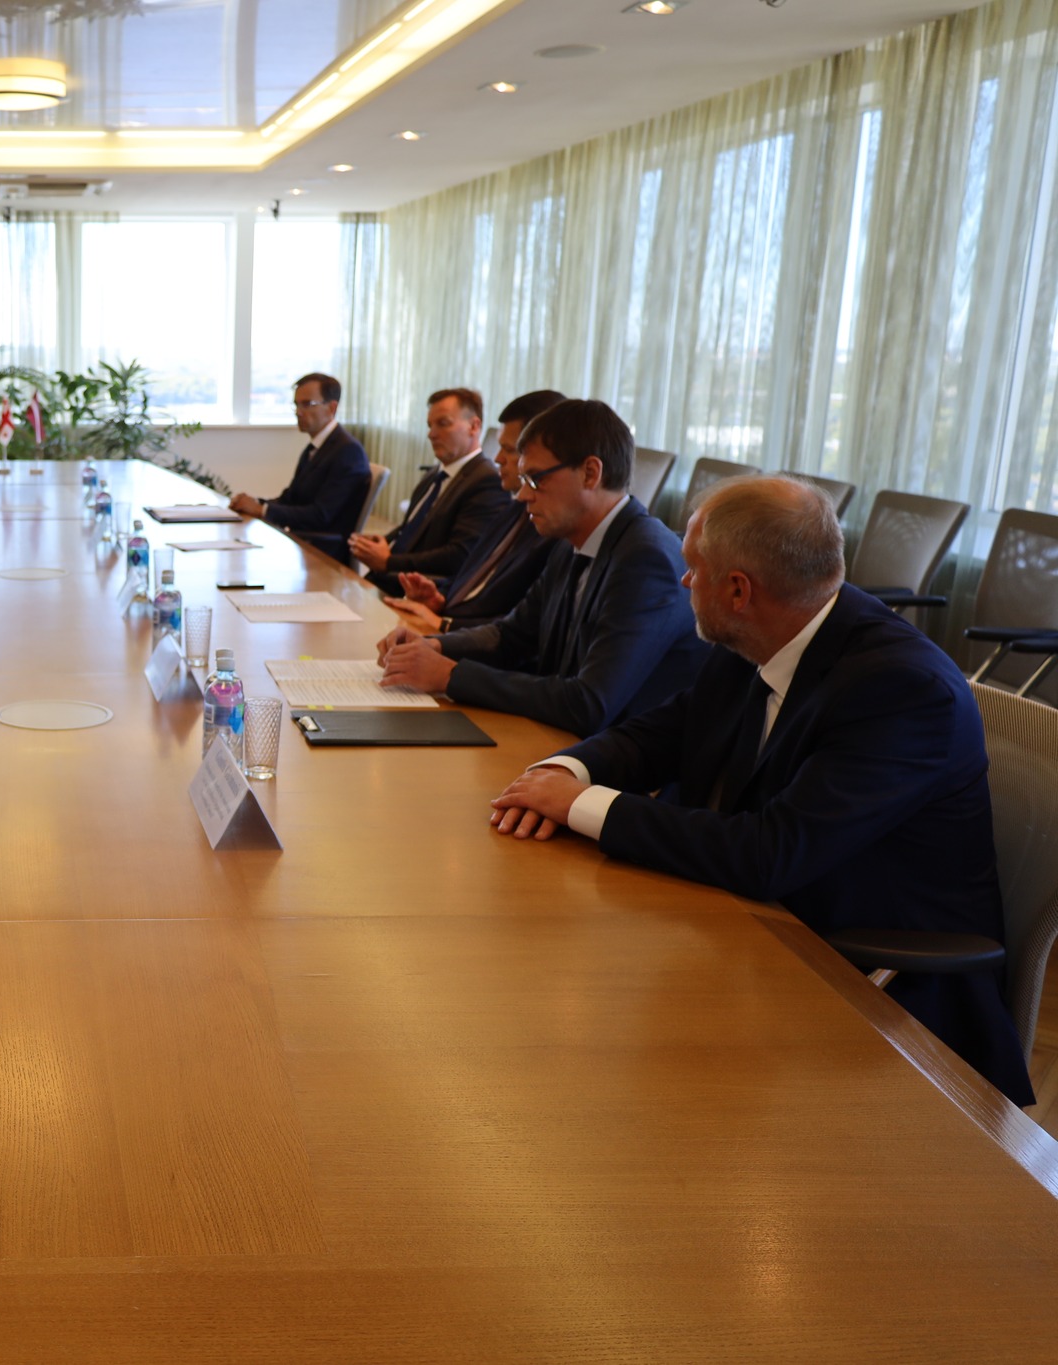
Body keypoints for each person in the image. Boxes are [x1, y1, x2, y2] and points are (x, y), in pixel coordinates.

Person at [488, 476, 1035, 1103]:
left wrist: (578, 807)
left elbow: (768, 854)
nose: (684, 582)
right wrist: (566, 772)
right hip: (762, 933)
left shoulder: (901, 690)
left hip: (877, 995)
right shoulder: (769, 628)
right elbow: (662, 733)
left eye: (694, 569)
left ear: (738, 590)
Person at [378, 398, 704, 738]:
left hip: (629, 760)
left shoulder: (647, 560)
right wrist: (435, 646)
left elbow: (589, 703)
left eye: (534, 479)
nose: (522, 495)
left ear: (590, 473)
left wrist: (449, 675)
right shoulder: (571, 542)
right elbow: (511, 635)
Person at [383, 389, 563, 634]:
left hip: (469, 640)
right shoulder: (515, 509)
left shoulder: (553, 530)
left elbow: (523, 626)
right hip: (446, 622)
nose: (498, 458)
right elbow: (474, 575)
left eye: (509, 449)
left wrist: (447, 624)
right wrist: (440, 599)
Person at [349, 388, 510, 594]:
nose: (431, 434)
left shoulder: (487, 481)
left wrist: (389, 561)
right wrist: (380, 543)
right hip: (387, 578)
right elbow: (410, 528)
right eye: (430, 425)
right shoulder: (435, 473)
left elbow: (460, 555)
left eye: (443, 423)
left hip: (418, 591)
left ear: (474, 426)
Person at [228, 373, 372, 542]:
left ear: (332, 408)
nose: (298, 412)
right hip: (301, 537)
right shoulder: (315, 447)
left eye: (307, 404)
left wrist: (262, 510)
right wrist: (254, 503)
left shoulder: (348, 451)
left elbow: (321, 515)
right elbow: (290, 499)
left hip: (321, 547)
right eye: (296, 405)